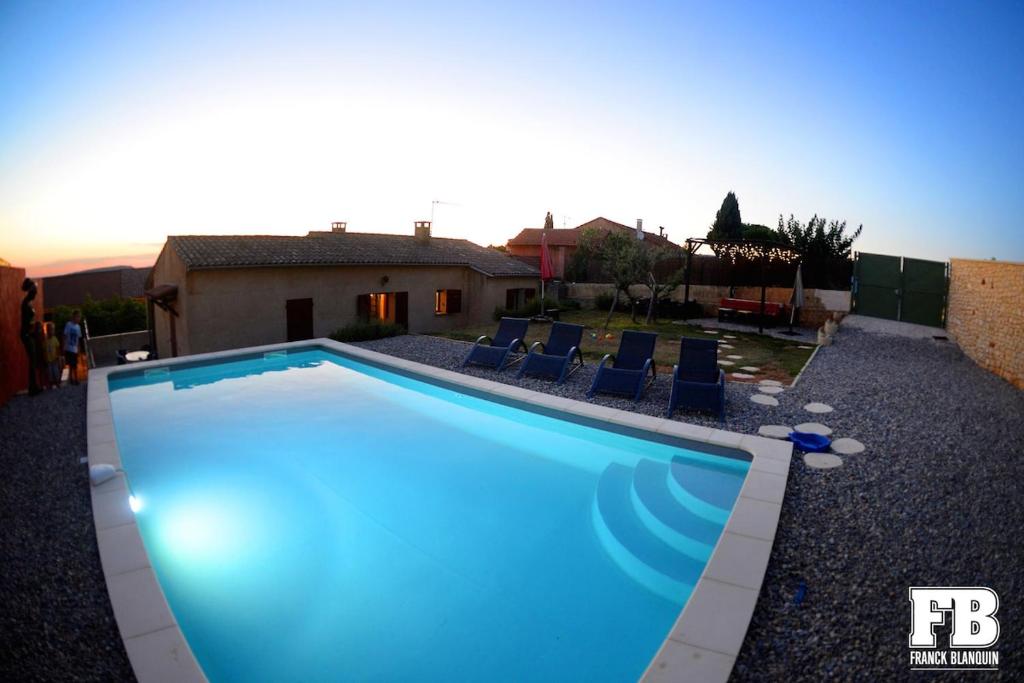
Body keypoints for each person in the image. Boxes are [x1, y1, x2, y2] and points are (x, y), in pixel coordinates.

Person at [19, 278, 41, 395]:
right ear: (30, 291)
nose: (36, 293)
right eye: (35, 291)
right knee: (32, 360)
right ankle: (32, 388)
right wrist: (32, 331)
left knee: (34, 360)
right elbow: (27, 322)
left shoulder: (29, 302)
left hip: (30, 334)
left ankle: (34, 386)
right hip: (27, 335)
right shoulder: (26, 303)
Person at [63, 310, 84, 386]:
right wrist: (64, 346)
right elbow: (65, 335)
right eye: (78, 317)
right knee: (71, 365)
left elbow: (78, 338)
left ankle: (75, 378)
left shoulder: (78, 327)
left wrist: (79, 349)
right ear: (74, 317)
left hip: (74, 349)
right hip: (69, 348)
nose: (79, 319)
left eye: (80, 317)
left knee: (75, 364)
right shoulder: (68, 324)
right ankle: (71, 379)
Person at [44, 323, 62, 388]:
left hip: (54, 359)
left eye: (53, 330)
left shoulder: (55, 339)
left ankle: (57, 383)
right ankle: (51, 384)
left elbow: (58, 348)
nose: (51, 331)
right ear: (47, 330)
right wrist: (45, 358)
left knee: (56, 371)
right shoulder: (45, 340)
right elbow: (44, 350)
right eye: (50, 330)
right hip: (48, 360)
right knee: (50, 373)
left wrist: (58, 356)